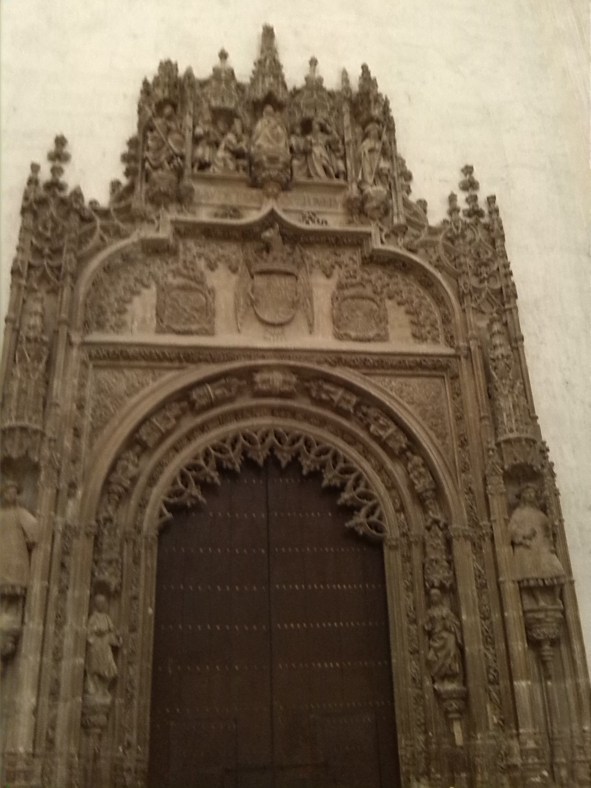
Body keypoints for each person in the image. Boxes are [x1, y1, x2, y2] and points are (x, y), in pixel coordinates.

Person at [508, 484, 565, 606]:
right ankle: (539, 600)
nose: (530, 495)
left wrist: (552, 527)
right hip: (528, 549)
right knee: (533, 576)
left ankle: (555, 598)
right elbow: (511, 530)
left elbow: (548, 529)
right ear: (522, 496)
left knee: (557, 571)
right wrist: (525, 535)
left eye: (532, 493)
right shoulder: (518, 513)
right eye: (527, 493)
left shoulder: (540, 513)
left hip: (543, 548)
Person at [0, 479, 39, 595]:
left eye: (14, 493)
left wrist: (30, 539)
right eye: (9, 493)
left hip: (16, 551)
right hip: (2, 550)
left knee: (15, 582)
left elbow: (34, 527)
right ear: (4, 495)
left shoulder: (20, 512)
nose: (12, 496)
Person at [85, 594, 121, 700]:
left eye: (103, 603)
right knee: (95, 669)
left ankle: (103, 689)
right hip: (96, 647)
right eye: (99, 603)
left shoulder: (106, 617)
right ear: (96, 604)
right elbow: (89, 632)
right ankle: (96, 689)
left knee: (111, 670)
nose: (102, 605)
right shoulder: (93, 618)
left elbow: (111, 631)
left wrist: (117, 637)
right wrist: (96, 631)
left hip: (105, 647)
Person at [425, 588, 462, 681]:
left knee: (450, 652)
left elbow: (454, 623)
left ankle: (449, 674)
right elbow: (427, 625)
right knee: (432, 657)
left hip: (446, 636)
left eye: (435, 596)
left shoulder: (446, 610)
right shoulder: (429, 612)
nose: (433, 598)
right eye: (431, 596)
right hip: (436, 637)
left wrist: (448, 623)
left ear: (440, 597)